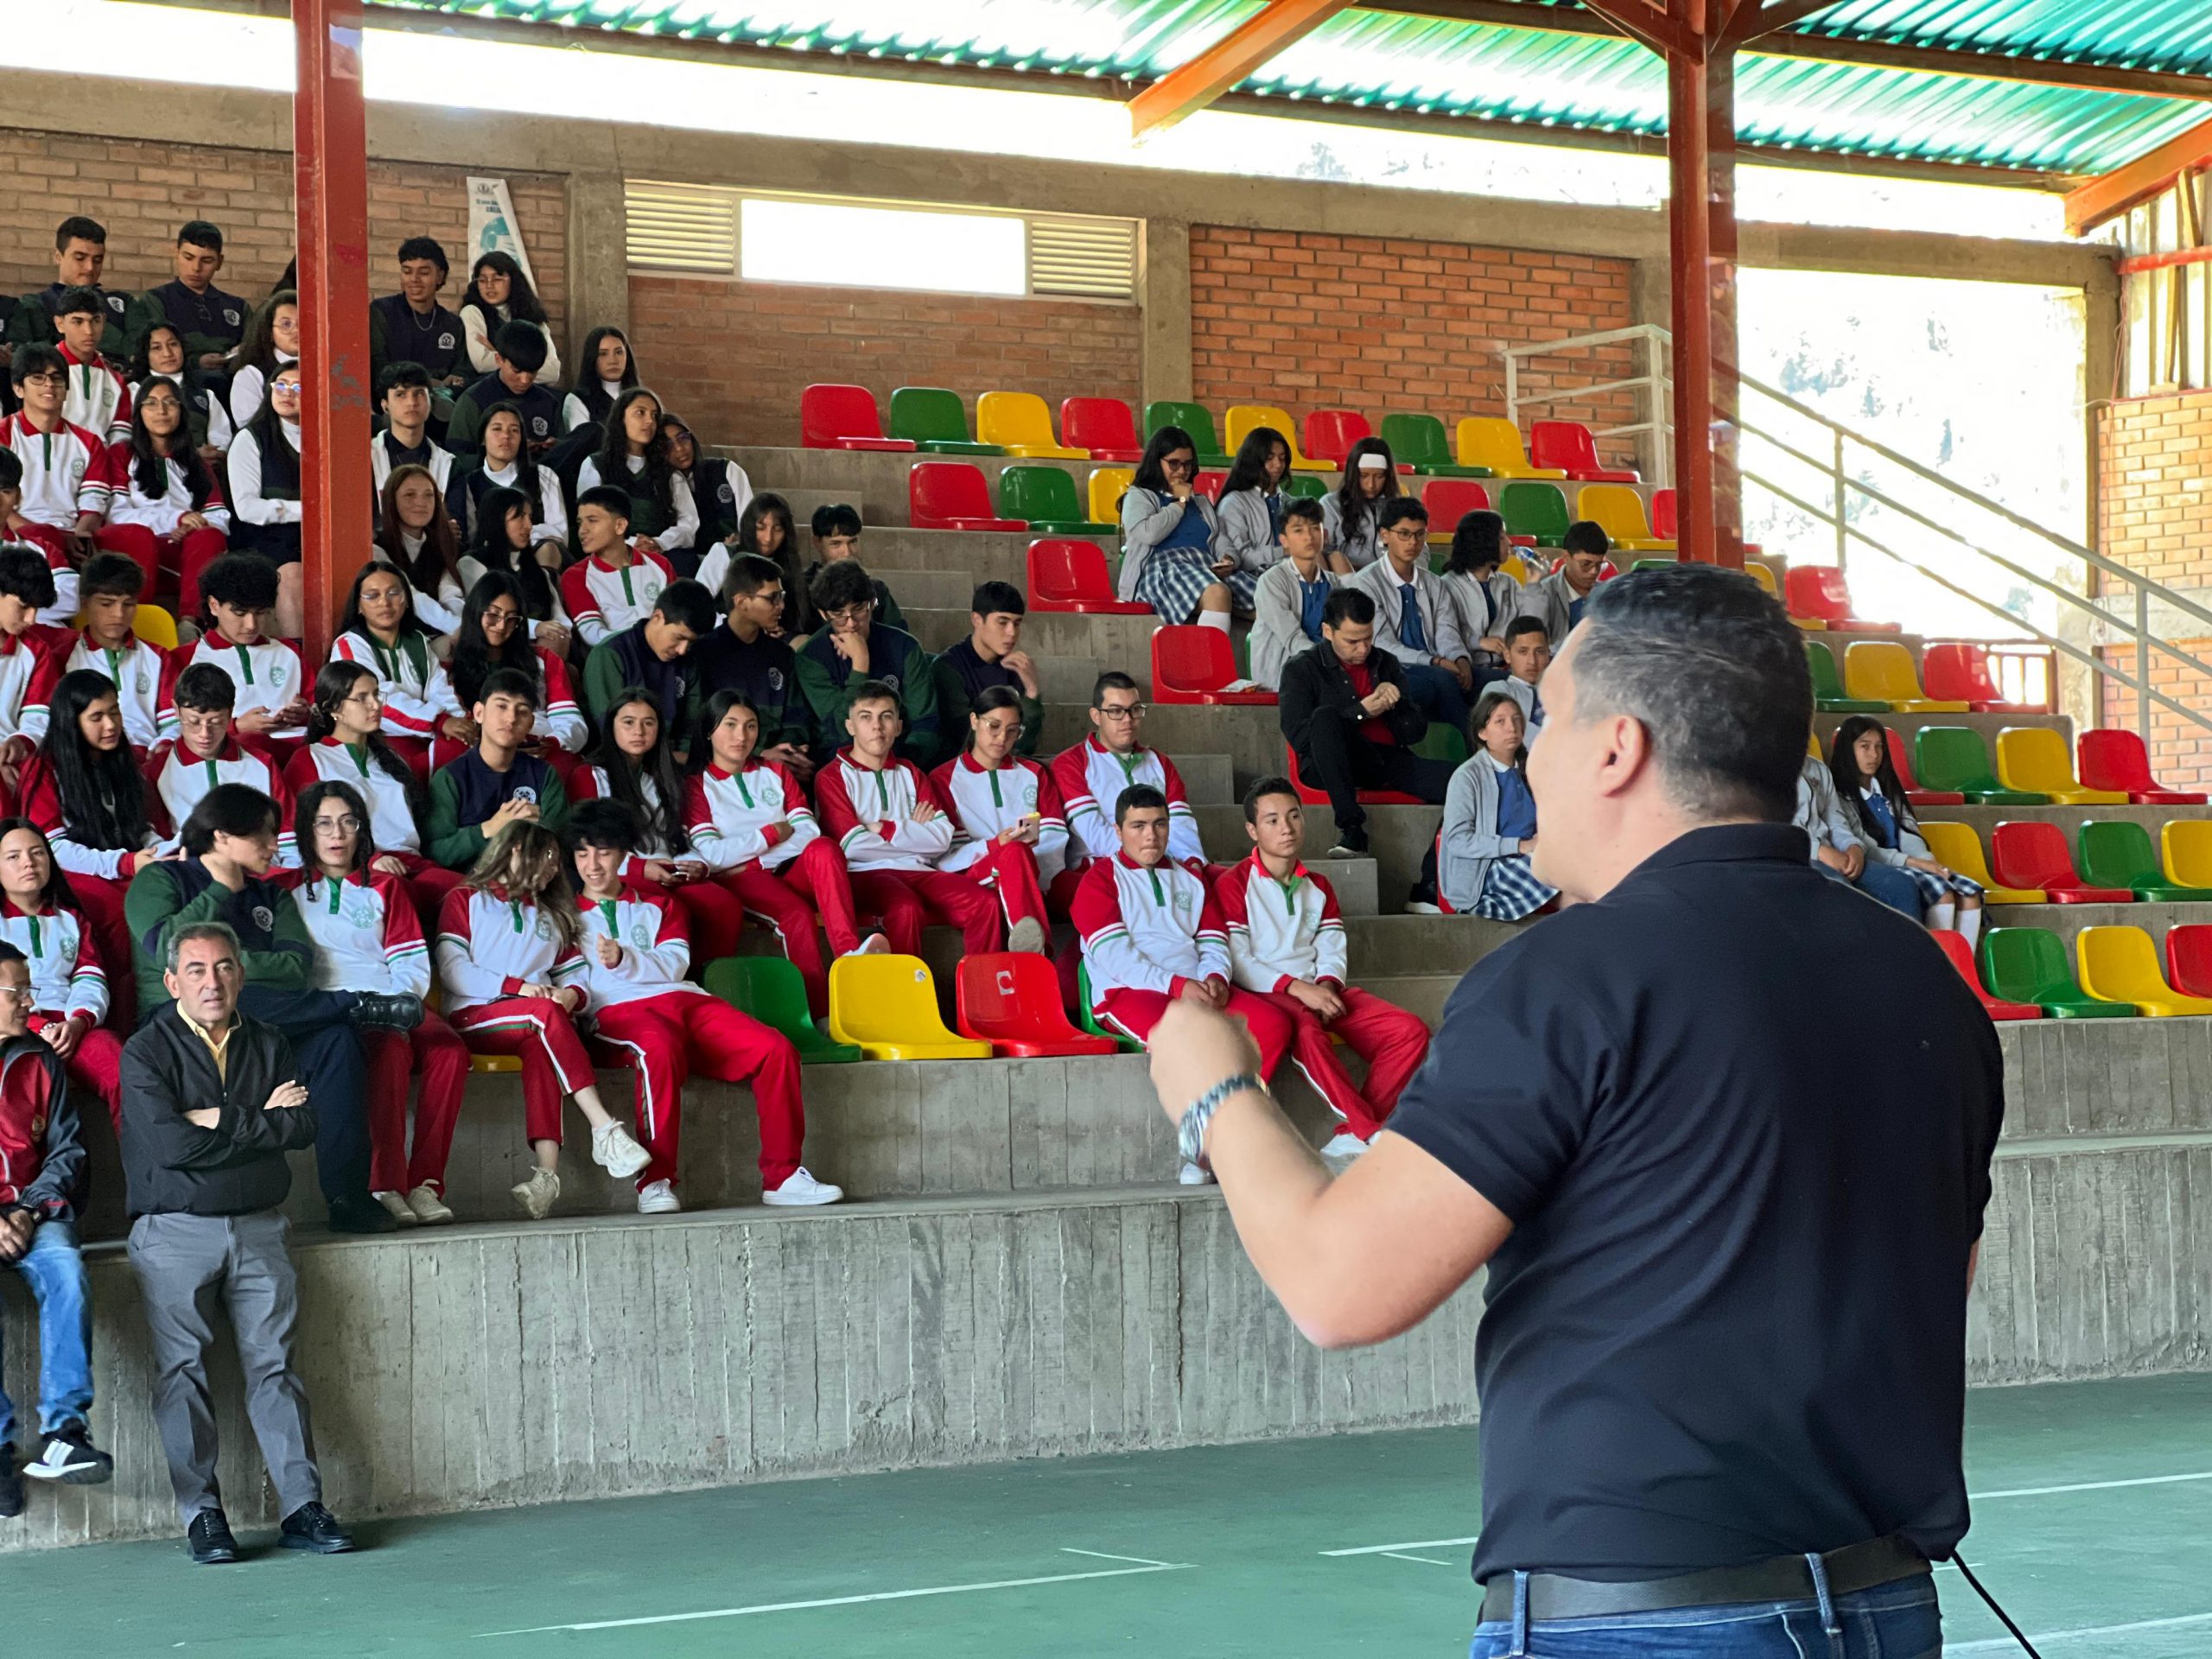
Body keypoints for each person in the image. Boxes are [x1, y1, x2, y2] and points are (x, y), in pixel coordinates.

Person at [1135, 563, 1999, 1659]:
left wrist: (1211, 1085)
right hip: (1883, 1602)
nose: (1529, 750)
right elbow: (1937, 1273)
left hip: (1640, 1619)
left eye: (1545, 717)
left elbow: (1338, 1286)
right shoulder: (1927, 979)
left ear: (1615, 747)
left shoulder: (1565, 977)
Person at [118, 920, 358, 1563]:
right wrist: (259, 1123)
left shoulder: (271, 1040)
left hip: (260, 1226)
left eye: (223, 967)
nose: (212, 981)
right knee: (182, 1374)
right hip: (173, 1232)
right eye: (196, 970)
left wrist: (218, 1118)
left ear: (241, 974)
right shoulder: (145, 1050)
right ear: (172, 982)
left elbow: (302, 1125)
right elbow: (169, 1147)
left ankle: (303, 1507)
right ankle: (203, 1516)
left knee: (275, 1369)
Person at [124, 783, 404, 1235]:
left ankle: (348, 1196)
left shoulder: (271, 896)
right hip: (178, 1022)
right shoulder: (160, 880)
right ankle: (353, 1005)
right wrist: (218, 894)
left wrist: (234, 969)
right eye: (263, 835)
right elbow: (168, 955)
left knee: (336, 1041)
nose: (276, 845)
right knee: (228, 994)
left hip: (264, 1024)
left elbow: (295, 968)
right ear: (221, 836)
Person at [567, 800, 840, 1212]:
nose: (593, 865)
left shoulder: (660, 903)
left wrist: (626, 959)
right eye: (583, 853)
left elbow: (675, 965)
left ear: (624, 854)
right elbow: (576, 983)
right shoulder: (564, 914)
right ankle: (656, 1182)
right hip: (618, 1011)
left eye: (604, 852)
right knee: (658, 1049)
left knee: (776, 1049)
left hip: (686, 1000)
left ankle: (783, 1177)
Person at [1075, 783, 1294, 1181]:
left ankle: (1226, 1130)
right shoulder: (1099, 881)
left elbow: (1212, 938)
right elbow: (1115, 958)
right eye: (1138, 826)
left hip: (1196, 987)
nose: (1151, 835)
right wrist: (1176, 986)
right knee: (1196, 1041)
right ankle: (1208, 1153)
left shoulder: (1189, 878)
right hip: (1130, 993)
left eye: (1160, 824)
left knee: (1274, 1024)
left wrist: (1215, 976)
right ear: (1118, 829)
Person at [433, 820, 650, 1217]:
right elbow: (453, 971)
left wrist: (572, 995)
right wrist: (520, 988)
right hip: (473, 1014)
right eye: (546, 857)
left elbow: (575, 978)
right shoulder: (465, 899)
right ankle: (603, 1127)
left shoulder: (552, 913)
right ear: (514, 850)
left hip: (534, 1019)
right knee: (545, 1018)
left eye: (555, 861)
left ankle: (546, 1178)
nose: (553, 868)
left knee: (543, 1043)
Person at [1215, 778, 1431, 1162]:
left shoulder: (1318, 885)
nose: (1286, 827)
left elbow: (1331, 947)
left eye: (1294, 815)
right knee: (1307, 1029)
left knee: (1409, 1032)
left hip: (1320, 989)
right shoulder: (1234, 884)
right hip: (1267, 994)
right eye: (1272, 820)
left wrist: (1327, 985)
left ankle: (1353, 1131)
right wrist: (1298, 989)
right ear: (1252, 829)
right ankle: (1368, 1129)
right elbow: (1239, 960)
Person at [288, 779, 467, 1228]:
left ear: (361, 830)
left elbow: (408, 962)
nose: (337, 834)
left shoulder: (386, 886)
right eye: (324, 823)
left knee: (450, 1052)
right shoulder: (284, 887)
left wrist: (397, 1005)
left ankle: (427, 1183)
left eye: (348, 823)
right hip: (335, 1005)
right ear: (307, 832)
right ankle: (384, 1182)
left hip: (391, 996)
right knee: (390, 1052)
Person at [685, 690, 885, 1016]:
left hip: (783, 869)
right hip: (748, 883)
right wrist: (772, 833)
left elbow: (808, 833)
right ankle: (818, 1015)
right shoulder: (697, 785)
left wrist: (754, 856)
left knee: (825, 848)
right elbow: (712, 854)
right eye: (730, 725)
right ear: (710, 730)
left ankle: (850, 954)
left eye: (750, 726)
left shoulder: (776, 772)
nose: (742, 736)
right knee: (798, 917)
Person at [0, 937, 110, 1514]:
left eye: (27, 988)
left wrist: (24, 1210)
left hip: (34, 1213)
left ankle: (65, 1433)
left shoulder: (39, 1059)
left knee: (67, 1267)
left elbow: (67, 1150)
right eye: (16, 990)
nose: (29, 1000)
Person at [811, 680, 1020, 957]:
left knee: (986, 904)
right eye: (866, 717)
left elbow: (941, 839)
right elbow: (853, 845)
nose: (877, 726)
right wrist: (914, 831)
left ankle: (980, 992)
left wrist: (883, 828)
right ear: (850, 726)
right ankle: (906, 995)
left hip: (921, 871)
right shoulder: (831, 776)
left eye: (886, 717)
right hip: (864, 873)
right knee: (906, 908)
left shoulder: (912, 773)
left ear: (898, 726)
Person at [18, 670, 173, 1019]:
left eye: (115, 712)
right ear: (71, 722)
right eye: (97, 717)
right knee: (119, 912)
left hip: (124, 864)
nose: (110, 725)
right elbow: (52, 849)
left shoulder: (123, 759)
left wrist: (160, 849)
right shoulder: (44, 769)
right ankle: (123, 1017)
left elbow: (142, 826)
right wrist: (126, 864)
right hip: (75, 873)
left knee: (173, 889)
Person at [284, 658, 462, 928]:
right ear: (334, 708)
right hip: (357, 867)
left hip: (411, 863)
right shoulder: (310, 759)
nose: (376, 705)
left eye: (377, 695)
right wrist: (370, 859)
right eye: (362, 698)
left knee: (475, 895)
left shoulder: (392, 758)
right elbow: (306, 833)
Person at [572, 687, 742, 960]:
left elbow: (678, 836)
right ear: (611, 727)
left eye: (648, 723)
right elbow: (586, 844)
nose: (638, 731)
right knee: (673, 908)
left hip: (668, 867)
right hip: (621, 872)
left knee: (725, 906)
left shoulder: (665, 776)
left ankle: (709, 982)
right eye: (628, 722)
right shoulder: (589, 775)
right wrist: (642, 868)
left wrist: (697, 864)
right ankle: (678, 979)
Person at [1278, 589, 1449, 859]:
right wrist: (1360, 712)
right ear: (1327, 631)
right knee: (1324, 717)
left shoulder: (1385, 663)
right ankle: (1352, 827)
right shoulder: (1301, 669)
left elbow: (1415, 733)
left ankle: (1427, 885)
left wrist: (1396, 702)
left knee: (1462, 783)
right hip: (1333, 762)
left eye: (1368, 638)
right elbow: (1300, 737)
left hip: (1386, 761)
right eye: (1352, 641)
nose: (1363, 648)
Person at [0, 819, 124, 1128]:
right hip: (13, 1028)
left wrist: (79, 1022)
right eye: (13, 856)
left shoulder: (71, 918)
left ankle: (147, 1173)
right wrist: (38, 1026)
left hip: (74, 1027)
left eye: (37, 853)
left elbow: (90, 976)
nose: (28, 862)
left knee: (123, 1070)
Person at [1050, 671, 1209, 903]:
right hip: (1100, 871)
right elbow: (1096, 836)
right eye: (1115, 711)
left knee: (1223, 883)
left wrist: (1192, 864)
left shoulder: (1161, 762)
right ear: (1096, 715)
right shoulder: (1071, 762)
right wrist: (1150, 860)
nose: (1128, 719)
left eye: (1134, 710)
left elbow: (1182, 826)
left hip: (1164, 864)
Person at [928, 685, 1061, 956]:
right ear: (974, 720)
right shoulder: (943, 779)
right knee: (1011, 851)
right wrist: (993, 846)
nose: (1002, 738)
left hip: (1030, 870)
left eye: (1013, 730)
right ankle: (1037, 954)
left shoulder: (1035, 773)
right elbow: (946, 857)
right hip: (971, 874)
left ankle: (1030, 944)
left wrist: (1023, 863)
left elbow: (1056, 836)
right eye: (994, 726)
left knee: (1016, 853)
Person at [1830, 715, 1986, 941]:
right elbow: (1867, 847)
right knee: (1943, 894)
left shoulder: (1887, 790)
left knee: (1970, 894)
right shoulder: (1840, 795)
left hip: (1909, 862)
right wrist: (1916, 863)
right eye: (1865, 747)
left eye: (1879, 747)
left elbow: (1909, 831)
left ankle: (1962, 968)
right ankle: (1936, 964)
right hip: (1883, 865)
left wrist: (1927, 861)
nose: (1874, 755)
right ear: (1847, 749)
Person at [1, 343, 115, 619]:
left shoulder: (89, 442)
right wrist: (40, 535)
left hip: (72, 534)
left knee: (132, 538)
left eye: (57, 378)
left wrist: (81, 533)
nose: (49, 385)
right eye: (38, 377)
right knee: (45, 536)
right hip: (18, 534)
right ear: (18, 388)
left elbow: (92, 503)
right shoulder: (3, 435)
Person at [22, 552, 176, 753]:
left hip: (148, 756)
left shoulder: (159, 657)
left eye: (128, 604)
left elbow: (174, 722)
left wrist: (163, 745)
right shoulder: (62, 659)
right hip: (88, 757)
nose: (119, 614)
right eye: (106, 604)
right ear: (85, 603)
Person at [146, 664, 298, 863]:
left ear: (231, 712)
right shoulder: (157, 771)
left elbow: (288, 837)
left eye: (216, 722)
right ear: (176, 710)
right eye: (194, 722)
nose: (204, 734)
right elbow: (154, 840)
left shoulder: (262, 764)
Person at [795, 560, 942, 766]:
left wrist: (901, 765)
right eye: (839, 616)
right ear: (823, 614)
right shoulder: (811, 657)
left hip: (902, 759)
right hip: (840, 763)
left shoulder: (904, 647)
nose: (852, 623)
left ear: (872, 603)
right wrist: (860, 665)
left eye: (859, 610)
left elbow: (925, 724)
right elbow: (841, 728)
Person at [328, 562, 467, 775]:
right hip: (377, 739)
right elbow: (377, 702)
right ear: (358, 606)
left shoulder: (418, 642)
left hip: (425, 733)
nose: (385, 602)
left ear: (407, 602)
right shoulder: (349, 644)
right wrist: (439, 721)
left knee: (463, 745)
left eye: (394, 593)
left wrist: (460, 722)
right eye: (372, 596)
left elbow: (440, 689)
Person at [1348, 495, 1473, 732]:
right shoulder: (1365, 584)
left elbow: (1447, 631)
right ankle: (1473, 751)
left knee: (1492, 681)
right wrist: (1435, 661)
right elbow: (1382, 644)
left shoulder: (1435, 583)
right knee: (1444, 680)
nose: (1412, 542)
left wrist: (1460, 659)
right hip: (1389, 667)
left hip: (1434, 664)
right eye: (1404, 534)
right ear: (1385, 536)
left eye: (1419, 534)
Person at [1433, 690, 1558, 920]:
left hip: (1530, 856)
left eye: (1516, 720)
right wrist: (1520, 845)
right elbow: (1458, 841)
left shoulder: (1530, 770)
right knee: (1567, 879)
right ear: (1482, 732)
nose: (1512, 728)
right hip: (1489, 871)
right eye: (1500, 722)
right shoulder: (1467, 777)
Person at [426, 667, 569, 869]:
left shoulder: (544, 775)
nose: (511, 719)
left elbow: (565, 845)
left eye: (522, 711)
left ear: (531, 724)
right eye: (501, 706)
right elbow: (435, 852)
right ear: (479, 713)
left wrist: (539, 829)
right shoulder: (450, 778)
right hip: (472, 888)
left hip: (532, 881)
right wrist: (489, 829)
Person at [105, 373, 228, 608]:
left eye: (170, 402)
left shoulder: (196, 462)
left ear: (181, 410)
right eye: (151, 403)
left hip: (188, 548)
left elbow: (219, 515)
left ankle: (189, 622)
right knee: (140, 539)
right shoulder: (121, 454)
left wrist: (192, 526)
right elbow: (116, 515)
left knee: (211, 536)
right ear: (139, 411)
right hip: (140, 546)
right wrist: (176, 519)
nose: (161, 410)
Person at [690, 554, 812, 780]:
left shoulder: (782, 655)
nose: (781, 606)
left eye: (782, 596)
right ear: (742, 602)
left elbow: (797, 719)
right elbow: (699, 728)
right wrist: (759, 755)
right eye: (772, 598)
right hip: (721, 772)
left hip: (780, 770)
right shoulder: (703, 654)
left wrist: (790, 750)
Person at [446, 572, 585, 767]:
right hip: (483, 754)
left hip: (543, 749)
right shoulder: (450, 668)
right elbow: (459, 727)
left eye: (512, 618)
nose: (502, 626)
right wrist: (504, 745)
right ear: (475, 613)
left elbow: (572, 721)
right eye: (493, 615)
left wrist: (551, 743)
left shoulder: (544, 659)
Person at [1116, 424, 1240, 634]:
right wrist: (1179, 502)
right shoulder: (1139, 496)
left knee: (1269, 595)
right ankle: (1209, 665)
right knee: (1218, 593)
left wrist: (1228, 557)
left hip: (1205, 565)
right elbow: (1150, 534)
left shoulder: (1200, 502)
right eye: (1173, 464)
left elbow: (1218, 537)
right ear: (1157, 462)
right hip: (1163, 569)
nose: (1182, 471)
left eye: (1187, 464)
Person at [184, 555, 310, 754]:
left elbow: (318, 711)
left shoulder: (289, 651)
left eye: (260, 613)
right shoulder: (185, 658)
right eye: (240, 613)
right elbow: (176, 726)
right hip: (232, 752)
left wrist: (303, 714)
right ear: (214, 606)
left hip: (298, 747)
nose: (251, 625)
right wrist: (236, 727)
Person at [225, 361, 308, 639]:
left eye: (298, 387)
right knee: (293, 577)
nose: (287, 393)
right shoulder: (250, 439)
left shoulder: (328, 439)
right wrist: (307, 512)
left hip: (316, 535)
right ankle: (301, 657)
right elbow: (247, 508)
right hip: (265, 538)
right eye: (280, 385)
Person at [575, 388, 697, 575]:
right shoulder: (595, 465)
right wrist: (631, 544)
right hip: (611, 553)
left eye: (654, 416)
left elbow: (689, 523)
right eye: (640, 413)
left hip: (660, 553)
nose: (649, 421)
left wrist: (659, 543)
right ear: (621, 418)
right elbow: (590, 519)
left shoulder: (669, 473)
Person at [1796, 743, 1923, 919]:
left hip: (1837, 856)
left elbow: (1836, 821)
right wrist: (1819, 851)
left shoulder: (1819, 770)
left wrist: (1854, 847)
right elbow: (1775, 827)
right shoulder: (1762, 769)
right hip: (1798, 857)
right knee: (1839, 891)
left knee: (1903, 886)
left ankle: (1907, 947)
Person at [445, 321, 593, 466]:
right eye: (517, 371)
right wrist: (503, 455)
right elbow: (458, 458)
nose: (525, 380)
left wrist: (555, 447)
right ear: (499, 360)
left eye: (533, 372)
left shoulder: (549, 402)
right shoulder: (474, 400)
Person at [446, 405, 569, 569]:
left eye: (514, 431)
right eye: (497, 429)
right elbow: (475, 537)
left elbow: (559, 533)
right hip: (493, 560)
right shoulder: (470, 484)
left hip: (538, 556)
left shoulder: (543, 475)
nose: (506, 436)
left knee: (548, 549)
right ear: (483, 438)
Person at [580, 578, 710, 732]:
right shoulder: (610, 655)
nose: (682, 650)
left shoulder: (688, 660)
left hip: (673, 754)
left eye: (691, 642)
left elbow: (689, 729)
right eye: (679, 638)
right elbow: (610, 729)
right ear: (657, 617)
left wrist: (682, 753)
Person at [124, 220, 246, 382]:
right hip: (179, 384)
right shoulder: (156, 300)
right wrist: (196, 362)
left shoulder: (237, 307)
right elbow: (145, 354)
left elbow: (254, 350)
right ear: (177, 254)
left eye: (207, 260)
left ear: (220, 262)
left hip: (234, 383)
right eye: (188, 257)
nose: (196, 267)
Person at [933, 580, 1044, 757]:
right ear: (977, 620)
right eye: (1002, 622)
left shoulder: (1016, 669)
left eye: (1017, 623)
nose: (1012, 632)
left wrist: (1032, 692)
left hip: (1010, 765)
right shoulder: (949, 667)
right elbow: (968, 740)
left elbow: (1027, 744)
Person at [561, 484, 675, 649]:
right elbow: (593, 634)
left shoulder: (659, 564)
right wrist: (642, 642)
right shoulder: (575, 576)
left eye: (592, 521)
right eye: (580, 523)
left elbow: (676, 617)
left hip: (665, 650)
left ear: (620, 526)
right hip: (615, 655)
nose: (582, 531)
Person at [7, 218, 130, 363]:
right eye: (80, 258)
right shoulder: (34, 305)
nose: (90, 267)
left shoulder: (123, 304)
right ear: (59, 257)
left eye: (97, 260)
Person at [367, 237, 467, 413]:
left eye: (424, 272)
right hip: (391, 414)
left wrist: (448, 384)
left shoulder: (453, 324)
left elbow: (460, 377)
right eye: (407, 271)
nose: (414, 279)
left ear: (440, 276)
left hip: (441, 414)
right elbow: (380, 372)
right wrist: (432, 382)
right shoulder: (382, 312)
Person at [1249, 496, 1337, 692]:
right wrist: (1332, 667)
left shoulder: (1335, 583)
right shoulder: (1272, 581)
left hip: (1327, 671)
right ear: (1284, 541)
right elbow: (1292, 638)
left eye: (1315, 527)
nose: (1309, 537)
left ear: (1325, 534)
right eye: (1298, 531)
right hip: (1283, 675)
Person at [775, 502, 900, 637]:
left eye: (853, 542)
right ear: (817, 542)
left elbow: (897, 637)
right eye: (836, 544)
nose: (846, 552)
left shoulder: (877, 589)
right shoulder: (799, 589)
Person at [372, 462, 465, 632]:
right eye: (410, 495)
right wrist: (455, 627)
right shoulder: (377, 547)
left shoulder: (442, 544)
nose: (421, 503)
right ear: (392, 500)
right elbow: (409, 595)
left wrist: (462, 628)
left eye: (429, 495)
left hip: (438, 634)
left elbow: (451, 595)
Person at [1437, 509, 1521, 692]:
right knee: (1521, 685)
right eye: (1501, 537)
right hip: (1468, 671)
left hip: (1506, 666)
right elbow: (1443, 634)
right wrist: (1479, 641)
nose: (1509, 542)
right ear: (1483, 542)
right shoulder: (1447, 586)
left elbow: (1526, 626)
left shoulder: (1509, 583)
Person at [456, 251, 562, 385]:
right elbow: (482, 363)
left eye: (497, 279)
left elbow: (552, 372)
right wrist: (530, 367)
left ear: (513, 280)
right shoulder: (472, 312)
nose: (489, 285)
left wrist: (499, 356)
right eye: (482, 280)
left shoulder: (532, 318)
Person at [133, 322, 233, 461]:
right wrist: (192, 455)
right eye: (157, 348)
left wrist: (213, 454)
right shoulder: (133, 392)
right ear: (146, 354)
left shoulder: (205, 394)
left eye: (173, 344)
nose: (167, 353)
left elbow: (221, 439)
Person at [1214, 424, 1297, 578]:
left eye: (1282, 458)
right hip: (1256, 577)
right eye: (1269, 458)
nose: (1278, 465)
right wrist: (1286, 550)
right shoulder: (1234, 503)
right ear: (1253, 460)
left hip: (1294, 571)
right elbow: (1241, 557)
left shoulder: (1290, 502)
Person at [664, 415, 751, 560]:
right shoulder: (661, 486)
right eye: (668, 445)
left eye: (683, 438)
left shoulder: (725, 470)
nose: (679, 449)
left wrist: (738, 542)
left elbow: (749, 519)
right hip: (688, 563)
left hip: (733, 557)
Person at [54, 286, 132, 447]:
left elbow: (120, 441)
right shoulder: (41, 372)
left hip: (103, 467)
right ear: (60, 324)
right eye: (78, 321)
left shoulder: (116, 380)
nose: (88, 331)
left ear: (103, 321)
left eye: (95, 321)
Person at [1517, 520, 1609, 647]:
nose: (1594, 572)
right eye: (1585, 564)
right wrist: (1533, 589)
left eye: (1599, 565)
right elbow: (1532, 638)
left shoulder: (1607, 594)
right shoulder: (1543, 592)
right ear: (1566, 557)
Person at [369, 361, 454, 498]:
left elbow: (455, 518)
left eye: (419, 393)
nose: (412, 402)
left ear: (430, 402)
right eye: (401, 395)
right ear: (385, 406)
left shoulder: (448, 464)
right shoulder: (368, 458)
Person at [1320, 437, 1402, 573]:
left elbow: (1420, 552)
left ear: (1388, 477)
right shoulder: (1331, 504)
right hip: (1346, 581)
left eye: (1379, 476)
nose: (1371, 484)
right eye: (1363, 476)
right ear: (1353, 474)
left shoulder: (1399, 507)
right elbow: (1323, 554)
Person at [222, 289, 296, 432]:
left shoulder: (324, 369)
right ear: (269, 332)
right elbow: (250, 427)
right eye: (286, 325)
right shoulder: (251, 374)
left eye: (304, 322)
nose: (297, 330)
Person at [568, 325, 639, 430]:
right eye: (603, 354)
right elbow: (582, 443)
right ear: (592, 358)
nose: (613, 360)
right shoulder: (578, 400)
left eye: (619, 352)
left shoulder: (640, 397)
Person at [1495, 616, 1552, 734]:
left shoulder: (1563, 692)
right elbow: (1505, 734)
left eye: (1539, 652)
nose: (1532, 661)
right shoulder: (1499, 690)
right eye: (1523, 652)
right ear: (1507, 656)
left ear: (1548, 656)